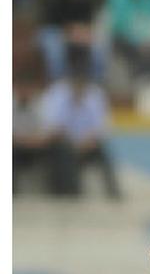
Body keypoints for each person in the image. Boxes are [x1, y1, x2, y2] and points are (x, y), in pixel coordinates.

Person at [36, 44, 121, 198]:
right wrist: (71, 142)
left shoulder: (96, 94)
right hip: (63, 143)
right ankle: (72, 193)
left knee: (103, 151)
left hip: (88, 143)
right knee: (61, 150)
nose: (79, 86)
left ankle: (114, 192)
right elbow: (51, 125)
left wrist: (88, 140)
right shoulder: (56, 93)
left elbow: (104, 126)